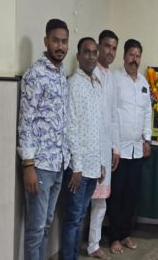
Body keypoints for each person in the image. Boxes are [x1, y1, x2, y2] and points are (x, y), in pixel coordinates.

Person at [17, 18, 71, 260]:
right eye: (55, 41)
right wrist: (28, 165)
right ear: (46, 41)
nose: (60, 46)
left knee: (47, 224)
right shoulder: (35, 74)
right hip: (39, 166)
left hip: (58, 163)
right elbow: (25, 121)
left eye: (64, 41)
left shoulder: (61, 74)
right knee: (36, 229)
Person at [60, 37, 108, 260]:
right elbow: (70, 127)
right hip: (77, 169)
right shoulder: (73, 85)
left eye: (94, 52)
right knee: (72, 219)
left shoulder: (96, 84)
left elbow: (99, 127)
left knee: (80, 217)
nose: (91, 56)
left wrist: (101, 163)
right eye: (86, 52)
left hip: (93, 166)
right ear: (78, 56)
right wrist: (77, 167)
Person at [107, 39, 152, 254]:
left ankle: (125, 234)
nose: (134, 59)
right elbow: (111, 113)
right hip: (118, 150)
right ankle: (114, 237)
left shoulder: (144, 82)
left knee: (131, 195)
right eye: (131, 55)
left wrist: (147, 139)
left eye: (137, 56)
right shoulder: (114, 79)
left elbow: (147, 112)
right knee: (116, 195)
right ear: (124, 56)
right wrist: (113, 146)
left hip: (136, 149)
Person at [87, 30, 121, 259]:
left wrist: (115, 147)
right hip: (89, 147)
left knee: (101, 201)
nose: (110, 51)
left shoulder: (112, 77)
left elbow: (113, 115)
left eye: (114, 48)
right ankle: (81, 245)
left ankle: (93, 244)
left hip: (106, 147)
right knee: (83, 201)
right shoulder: (91, 73)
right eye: (107, 46)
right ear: (99, 47)